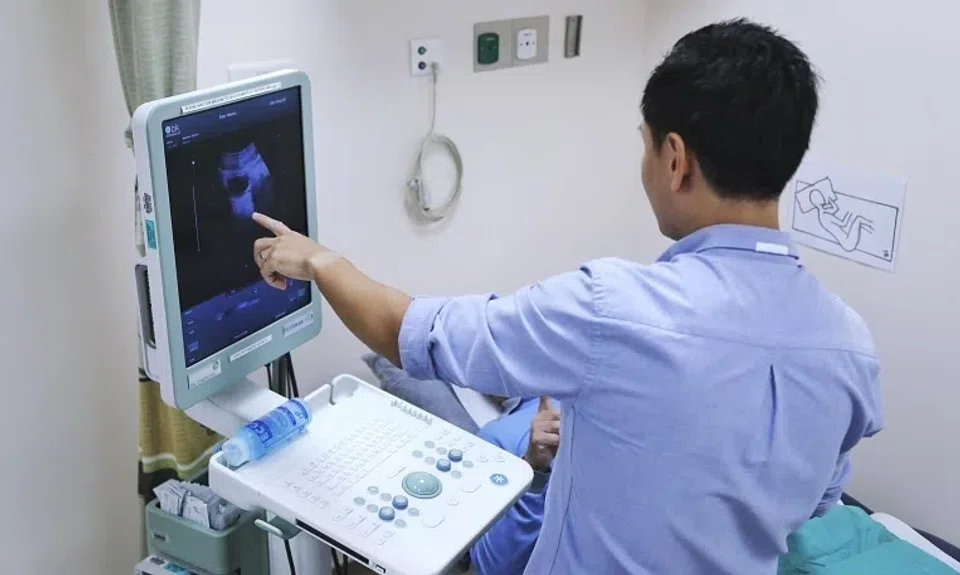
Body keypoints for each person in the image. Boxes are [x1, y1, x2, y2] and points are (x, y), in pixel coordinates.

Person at [251, 18, 883, 575]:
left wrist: (320, 259)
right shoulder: (852, 346)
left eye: (644, 143)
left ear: (674, 159)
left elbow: (413, 333)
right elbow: (818, 498)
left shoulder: (613, 309)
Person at [363, 354, 557, 575]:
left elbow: (492, 569)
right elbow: (492, 565)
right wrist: (534, 471)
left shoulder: (496, 438)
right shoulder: (493, 440)